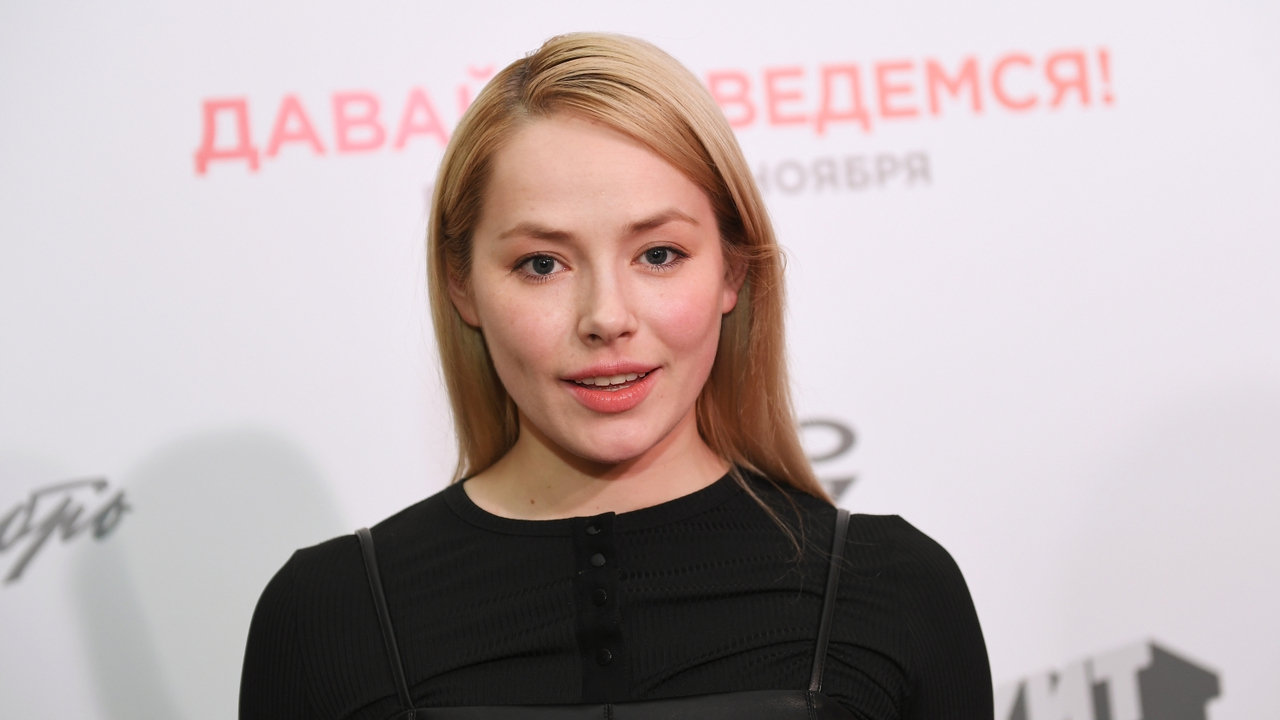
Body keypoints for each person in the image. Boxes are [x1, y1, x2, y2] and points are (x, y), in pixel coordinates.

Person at [239, 32, 991, 720]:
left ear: (732, 270)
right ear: (462, 286)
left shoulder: (894, 589)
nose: (606, 316)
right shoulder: (327, 612)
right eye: (542, 264)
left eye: (658, 255)